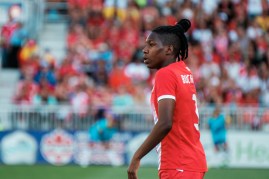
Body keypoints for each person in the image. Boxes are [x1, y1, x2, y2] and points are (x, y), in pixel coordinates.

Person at [127, 19, 207, 179]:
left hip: (178, 164)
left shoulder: (166, 74)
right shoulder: (184, 71)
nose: (144, 50)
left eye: (151, 45)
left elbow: (165, 123)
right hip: (192, 161)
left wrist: (136, 157)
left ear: (169, 49)